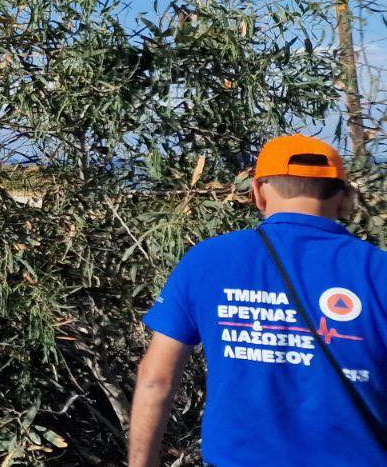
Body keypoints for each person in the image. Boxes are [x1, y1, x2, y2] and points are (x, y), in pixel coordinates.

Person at [128, 134, 387, 466]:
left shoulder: (208, 260)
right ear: (344, 198)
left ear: (258, 193)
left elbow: (157, 379)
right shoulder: (377, 270)